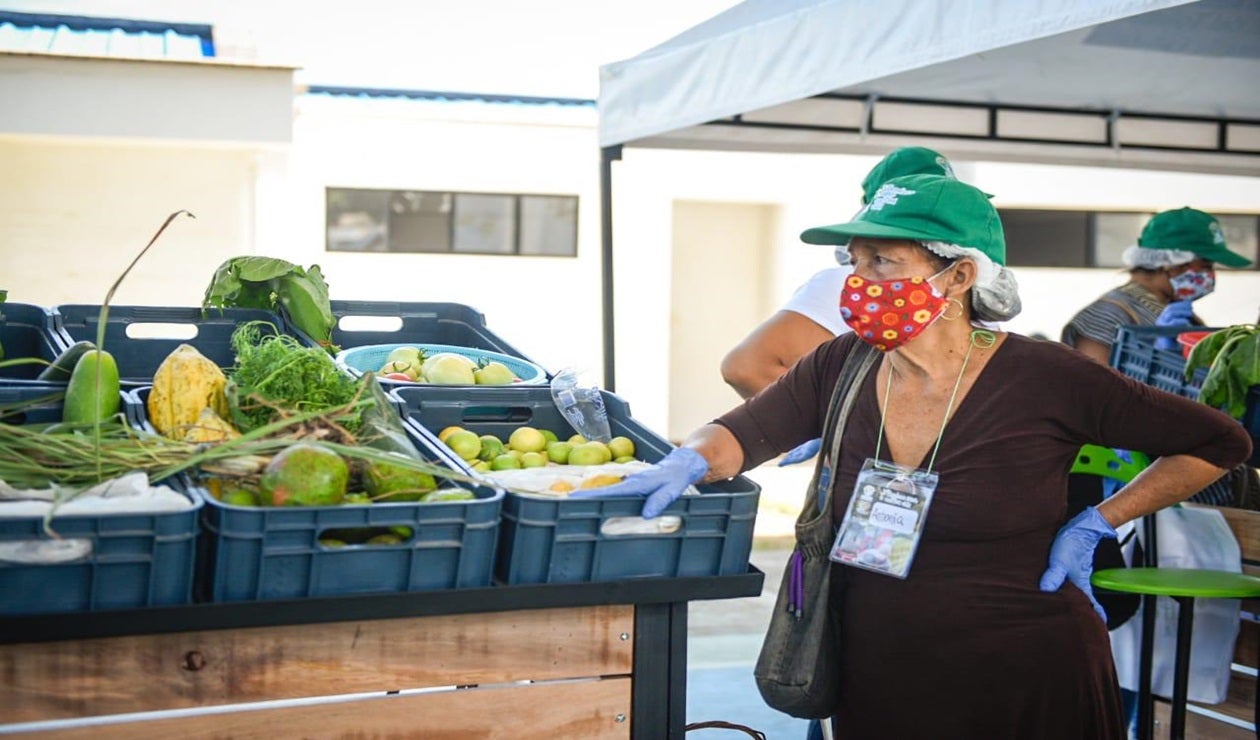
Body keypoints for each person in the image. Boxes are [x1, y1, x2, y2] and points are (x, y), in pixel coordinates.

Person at [574, 174, 1253, 739]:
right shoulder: (843, 363)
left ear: (958, 276)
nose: (858, 280)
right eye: (855, 260)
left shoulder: (1049, 378)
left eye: (883, 262)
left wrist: (1099, 521)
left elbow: (1220, 443)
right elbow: (742, 431)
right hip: (880, 674)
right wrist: (685, 461)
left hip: (1026, 673)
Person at [721, 146, 958, 400]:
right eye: (868, 259)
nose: (861, 276)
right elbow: (746, 368)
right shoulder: (851, 284)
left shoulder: (975, 297)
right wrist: (837, 426)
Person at [1061, 207, 1252, 365]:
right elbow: (1095, 392)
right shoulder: (1106, 316)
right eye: (1206, 266)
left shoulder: (1179, 316)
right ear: (1170, 263)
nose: (1210, 276)